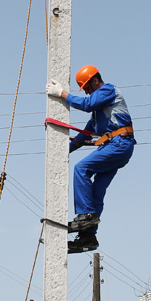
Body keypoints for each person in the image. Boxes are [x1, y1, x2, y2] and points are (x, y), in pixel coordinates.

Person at [46, 65, 136, 253]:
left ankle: (85, 215)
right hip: (116, 147)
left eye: (87, 88)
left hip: (119, 144)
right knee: (97, 190)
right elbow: (85, 134)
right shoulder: (98, 113)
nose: (87, 92)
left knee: (81, 168)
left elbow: (86, 104)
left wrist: (62, 93)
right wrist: (63, 151)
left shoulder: (108, 90)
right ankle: (88, 236)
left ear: (96, 80)